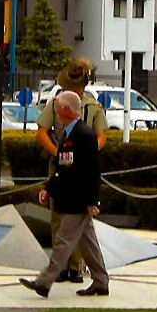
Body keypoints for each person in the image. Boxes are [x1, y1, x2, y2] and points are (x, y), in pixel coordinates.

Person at [20, 90, 109, 298]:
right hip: (72, 197)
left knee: (63, 241)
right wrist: (48, 189)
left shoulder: (84, 135)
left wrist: (91, 200)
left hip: (79, 200)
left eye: (58, 107)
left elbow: (92, 171)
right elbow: (63, 168)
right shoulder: (69, 134)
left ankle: (43, 282)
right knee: (88, 243)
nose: (56, 111)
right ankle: (101, 282)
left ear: (67, 110)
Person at [35, 59, 107, 283]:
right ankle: (76, 272)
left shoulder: (90, 108)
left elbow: (101, 137)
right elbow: (42, 132)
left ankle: (67, 270)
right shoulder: (58, 103)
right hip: (61, 166)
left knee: (71, 225)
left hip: (76, 170)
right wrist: (59, 153)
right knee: (65, 221)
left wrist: (82, 153)